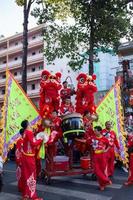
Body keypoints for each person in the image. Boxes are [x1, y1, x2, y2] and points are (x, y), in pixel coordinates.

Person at [21, 120, 43, 200]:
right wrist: (41, 139)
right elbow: (34, 143)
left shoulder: (25, 132)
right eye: (29, 123)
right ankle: (33, 196)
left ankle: (25, 195)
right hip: (29, 157)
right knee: (32, 176)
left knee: (26, 176)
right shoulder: (29, 132)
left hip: (25, 156)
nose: (31, 124)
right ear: (27, 125)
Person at [87, 126, 112, 191]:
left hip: (103, 156)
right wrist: (77, 139)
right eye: (94, 131)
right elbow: (86, 141)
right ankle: (107, 180)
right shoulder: (92, 138)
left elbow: (109, 145)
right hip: (95, 156)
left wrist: (106, 150)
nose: (94, 132)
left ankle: (102, 185)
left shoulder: (104, 139)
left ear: (99, 131)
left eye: (95, 131)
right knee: (96, 171)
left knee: (102, 170)